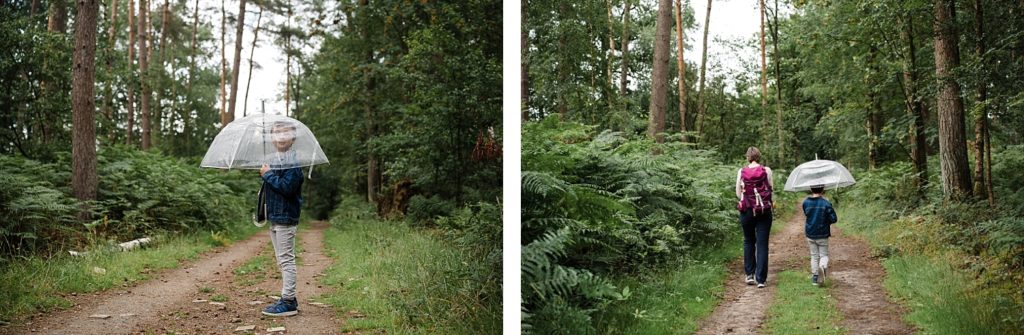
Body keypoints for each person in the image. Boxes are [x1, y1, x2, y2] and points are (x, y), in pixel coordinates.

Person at [258, 121, 305, 317]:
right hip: (275, 216)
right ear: (271, 138)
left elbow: (286, 188)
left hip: (286, 216)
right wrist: (267, 172)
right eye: (276, 133)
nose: (280, 137)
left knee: (286, 260)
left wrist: (267, 174)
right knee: (280, 260)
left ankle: (288, 301)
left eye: (285, 133)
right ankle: (289, 297)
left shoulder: (293, 162)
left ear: (293, 138)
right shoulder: (273, 159)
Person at [736, 147, 774, 288]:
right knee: (762, 243)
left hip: (746, 211)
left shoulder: (741, 171)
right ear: (759, 157)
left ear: (747, 157)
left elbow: (738, 193)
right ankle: (761, 279)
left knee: (748, 241)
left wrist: (748, 201)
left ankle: (749, 275)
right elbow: (770, 189)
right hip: (764, 211)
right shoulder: (767, 170)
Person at [803, 185, 837, 286]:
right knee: (824, 255)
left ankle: (815, 278)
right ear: (823, 189)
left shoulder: (806, 202)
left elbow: (807, 213)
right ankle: (822, 266)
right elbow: (834, 219)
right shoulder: (826, 203)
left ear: (810, 189)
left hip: (810, 233)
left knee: (814, 256)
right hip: (823, 233)